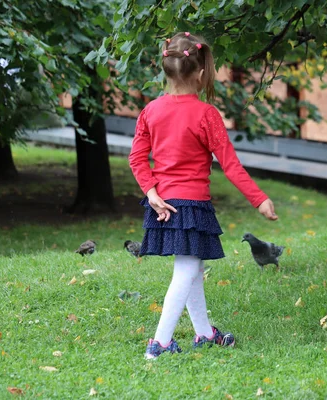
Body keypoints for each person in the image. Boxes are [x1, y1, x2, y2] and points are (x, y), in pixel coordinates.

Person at [129, 32, 278, 360]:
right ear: (199, 74)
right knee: (185, 270)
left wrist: (151, 193)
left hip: (163, 205)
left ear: (166, 69)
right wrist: (259, 199)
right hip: (191, 206)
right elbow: (231, 165)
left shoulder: (150, 111)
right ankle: (160, 345)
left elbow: (137, 158)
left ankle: (204, 334)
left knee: (192, 268)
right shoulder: (206, 115)